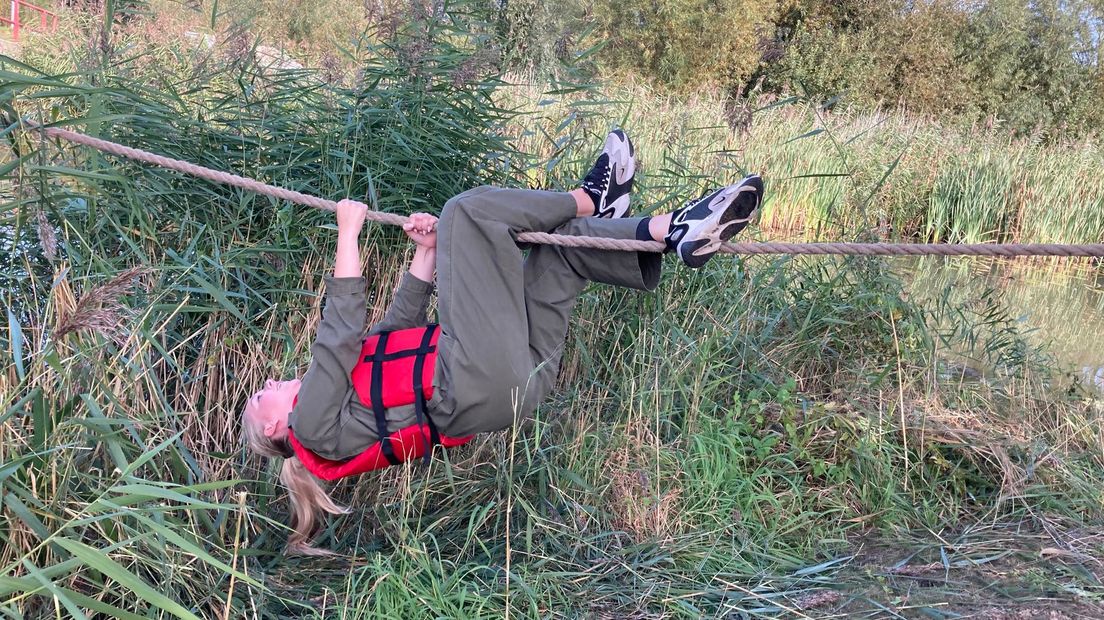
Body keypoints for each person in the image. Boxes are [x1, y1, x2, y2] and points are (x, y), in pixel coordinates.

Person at [242, 130, 764, 554]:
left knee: (562, 252)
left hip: (514, 388)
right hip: (471, 379)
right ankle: (590, 198)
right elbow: (336, 336)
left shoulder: (340, 408)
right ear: (274, 424)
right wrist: (347, 234)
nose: (266, 382)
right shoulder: (310, 426)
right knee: (466, 212)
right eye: (259, 394)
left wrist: (427, 251)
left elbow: (398, 329)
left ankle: (677, 230)